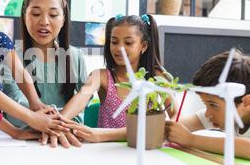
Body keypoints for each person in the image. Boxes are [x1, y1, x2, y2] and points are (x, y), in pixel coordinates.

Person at [61, 14, 175, 142]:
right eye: (114, 42)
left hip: (145, 151)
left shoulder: (157, 77)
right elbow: (80, 99)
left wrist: (101, 135)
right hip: (107, 153)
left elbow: (176, 116)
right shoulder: (99, 76)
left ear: (144, 46)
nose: (119, 48)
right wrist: (59, 122)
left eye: (128, 42)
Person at [3, 0, 88, 148]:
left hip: (68, 144)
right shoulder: (11, 56)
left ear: (64, 19)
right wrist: (53, 122)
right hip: (23, 144)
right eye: (35, 13)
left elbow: (83, 101)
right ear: (24, 16)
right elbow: (13, 104)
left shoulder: (76, 56)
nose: (44, 21)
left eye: (53, 15)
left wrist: (51, 123)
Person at [166, 50, 250, 161]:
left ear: (246, 103)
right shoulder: (228, 113)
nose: (207, 113)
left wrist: (190, 139)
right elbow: (175, 128)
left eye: (213, 105)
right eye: (205, 104)